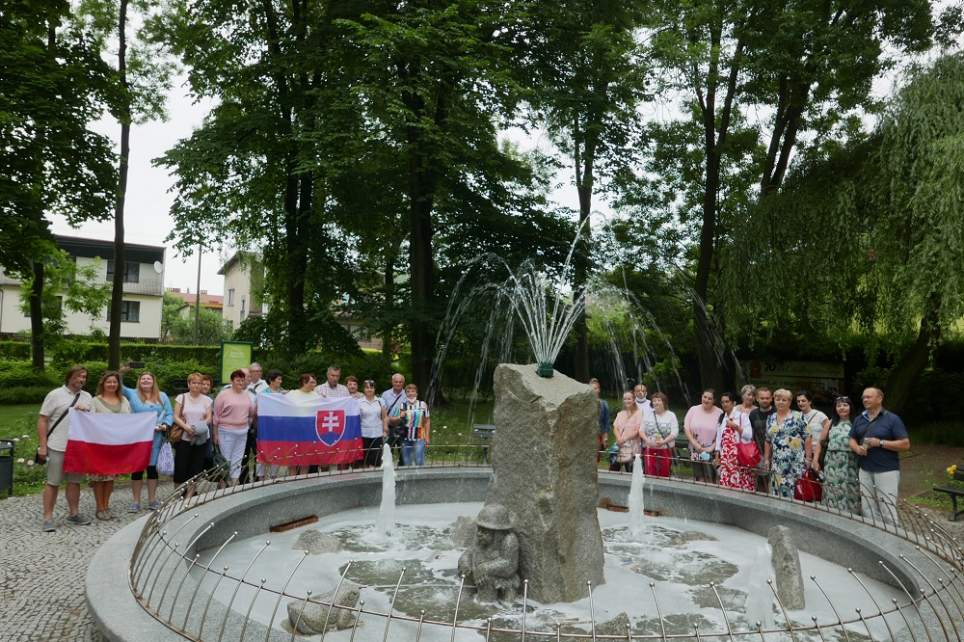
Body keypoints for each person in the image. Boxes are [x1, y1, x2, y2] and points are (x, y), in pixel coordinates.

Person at [38, 366, 93, 532]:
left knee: (74, 482)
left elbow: (93, 421)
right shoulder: (55, 395)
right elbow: (42, 420)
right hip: (57, 445)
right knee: (53, 482)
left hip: (78, 447)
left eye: (84, 377)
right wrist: (43, 446)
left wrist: (86, 411)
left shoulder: (87, 396)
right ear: (69, 377)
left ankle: (74, 513)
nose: (81, 379)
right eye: (78, 376)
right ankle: (48, 518)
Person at [849, 387, 910, 526]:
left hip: (886, 470)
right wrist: (857, 448)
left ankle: (892, 536)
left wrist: (880, 443)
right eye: (864, 397)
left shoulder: (892, 419)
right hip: (864, 469)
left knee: (887, 507)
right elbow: (851, 438)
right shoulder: (859, 419)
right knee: (867, 507)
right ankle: (873, 535)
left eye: (869, 397)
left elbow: (905, 444)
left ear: (880, 399)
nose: (865, 400)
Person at [121, 368, 173, 512]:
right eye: (143, 378)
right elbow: (119, 387)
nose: (145, 380)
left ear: (153, 381)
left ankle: (152, 500)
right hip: (138, 438)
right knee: (137, 469)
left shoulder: (162, 396)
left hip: (156, 438)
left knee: (152, 469)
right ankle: (135, 502)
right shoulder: (132, 393)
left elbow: (169, 414)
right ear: (139, 381)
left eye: (148, 378)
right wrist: (121, 373)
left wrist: (165, 425)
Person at [90, 371, 131, 520]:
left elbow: (130, 420)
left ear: (118, 384)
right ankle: (99, 507)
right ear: (103, 384)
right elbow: (89, 421)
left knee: (110, 478)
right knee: (99, 478)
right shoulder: (95, 401)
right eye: (109, 382)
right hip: (99, 446)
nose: (112, 384)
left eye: (114, 382)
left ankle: (106, 505)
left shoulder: (124, 400)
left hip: (116, 446)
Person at [172, 373, 213, 499]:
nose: (196, 385)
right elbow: (176, 416)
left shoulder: (207, 400)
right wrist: (187, 428)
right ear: (188, 384)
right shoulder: (181, 397)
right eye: (194, 382)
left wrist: (198, 428)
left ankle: (189, 497)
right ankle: (178, 495)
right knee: (180, 467)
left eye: (199, 383)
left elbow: (209, 417)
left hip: (201, 438)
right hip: (184, 437)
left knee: (196, 468)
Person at [213, 369, 256, 485]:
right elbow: (216, 416)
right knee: (226, 459)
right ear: (232, 381)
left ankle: (234, 483)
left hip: (242, 432)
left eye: (242, 380)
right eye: (238, 380)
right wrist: (215, 434)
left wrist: (247, 424)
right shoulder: (223, 395)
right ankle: (223, 485)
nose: (240, 383)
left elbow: (251, 412)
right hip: (226, 431)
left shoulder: (247, 395)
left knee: (238, 459)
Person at [764, 389, 807, 498]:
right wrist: (766, 459)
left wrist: (809, 459)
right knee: (777, 492)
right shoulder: (770, 418)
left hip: (794, 463)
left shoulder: (798, 416)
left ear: (789, 401)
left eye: (784, 400)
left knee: (793, 493)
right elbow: (767, 440)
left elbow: (808, 437)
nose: (780, 402)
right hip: (777, 463)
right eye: (778, 399)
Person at [822, 396, 861, 513]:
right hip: (831, 461)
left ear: (850, 407)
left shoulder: (857, 422)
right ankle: (831, 513)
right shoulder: (831, 422)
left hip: (850, 461)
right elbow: (821, 440)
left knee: (849, 488)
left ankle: (851, 515)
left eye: (845, 405)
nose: (842, 408)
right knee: (832, 488)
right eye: (839, 406)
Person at [714, 392, 754, 491]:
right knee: (726, 485)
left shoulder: (742, 416)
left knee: (741, 485)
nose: (724, 404)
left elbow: (749, 435)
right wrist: (717, 456)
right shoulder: (722, 418)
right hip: (726, 459)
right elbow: (719, 439)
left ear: (733, 403)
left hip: (740, 458)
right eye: (722, 402)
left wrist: (736, 427)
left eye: (727, 401)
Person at [684, 389, 721, 483]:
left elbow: (721, 434)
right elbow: (686, 428)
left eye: (709, 398)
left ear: (714, 400)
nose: (706, 400)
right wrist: (695, 444)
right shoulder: (693, 409)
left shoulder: (719, 413)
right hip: (695, 449)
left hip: (711, 451)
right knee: (699, 477)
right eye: (705, 397)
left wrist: (711, 448)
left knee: (711, 477)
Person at [641, 391, 678, 478]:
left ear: (664, 402)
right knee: (650, 472)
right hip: (650, 448)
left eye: (659, 400)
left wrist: (663, 442)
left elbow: (674, 433)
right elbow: (641, 430)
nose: (656, 402)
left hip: (665, 449)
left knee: (664, 472)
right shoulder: (647, 415)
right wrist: (647, 440)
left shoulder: (671, 415)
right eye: (654, 401)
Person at [749, 387, 775, 493]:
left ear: (771, 398)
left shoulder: (777, 412)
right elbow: (751, 435)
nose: (765, 400)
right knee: (761, 484)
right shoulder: (753, 414)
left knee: (776, 484)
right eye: (762, 398)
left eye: (767, 398)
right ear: (757, 399)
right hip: (759, 454)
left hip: (777, 454)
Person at [796, 390, 830, 472]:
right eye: (798, 401)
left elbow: (829, 432)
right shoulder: (796, 416)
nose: (800, 403)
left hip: (817, 453)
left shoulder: (820, 415)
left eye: (803, 401)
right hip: (801, 454)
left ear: (810, 402)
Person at [399, 383, 431, 466]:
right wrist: (401, 416)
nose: (411, 393)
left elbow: (427, 420)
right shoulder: (403, 405)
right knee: (407, 461)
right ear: (406, 394)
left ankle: (419, 474)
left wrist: (427, 436)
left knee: (419, 460)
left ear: (416, 393)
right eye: (408, 391)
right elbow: (401, 421)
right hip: (406, 436)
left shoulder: (423, 404)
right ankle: (409, 474)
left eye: (413, 391)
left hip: (420, 436)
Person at [359, 379, 388, 467]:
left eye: (371, 387)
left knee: (376, 459)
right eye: (367, 387)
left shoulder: (380, 401)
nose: (369, 389)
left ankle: (375, 474)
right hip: (364, 434)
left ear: (374, 389)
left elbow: (384, 417)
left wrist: (385, 429)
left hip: (377, 434)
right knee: (365, 459)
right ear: (364, 389)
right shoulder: (359, 402)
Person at [612, 391, 641, 473]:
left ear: (634, 400)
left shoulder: (639, 413)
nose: (626, 401)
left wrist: (624, 439)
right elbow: (615, 428)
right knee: (614, 470)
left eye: (629, 399)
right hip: (620, 447)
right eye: (625, 399)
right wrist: (619, 438)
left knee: (631, 472)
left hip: (633, 447)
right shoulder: (620, 413)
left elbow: (637, 430)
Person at [382, 373, 407, 466]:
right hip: (389, 427)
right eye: (396, 382)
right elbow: (383, 411)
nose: (398, 384)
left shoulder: (407, 394)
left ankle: (403, 471)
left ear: (403, 383)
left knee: (403, 454)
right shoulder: (385, 394)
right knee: (387, 452)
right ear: (392, 382)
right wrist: (385, 425)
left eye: (400, 382)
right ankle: (388, 470)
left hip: (402, 427)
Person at [590, 378, 610, 462]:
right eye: (595, 388)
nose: (597, 390)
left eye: (598, 388)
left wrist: (605, 437)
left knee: (596, 458)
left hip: (598, 435)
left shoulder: (604, 403)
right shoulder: (584, 403)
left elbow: (606, 421)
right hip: (587, 435)